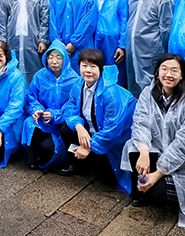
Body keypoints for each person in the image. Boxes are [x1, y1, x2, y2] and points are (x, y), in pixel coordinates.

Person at [121, 54, 185, 229]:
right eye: (164, 69)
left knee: (158, 194)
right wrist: (144, 152)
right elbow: (140, 123)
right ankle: (141, 190)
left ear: (182, 75)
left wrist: (157, 173)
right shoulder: (147, 93)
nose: (168, 74)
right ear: (157, 72)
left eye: (174, 70)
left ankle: (154, 185)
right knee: (133, 147)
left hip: (182, 162)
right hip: (156, 151)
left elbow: (183, 146)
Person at [56, 48, 133, 191]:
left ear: (101, 69)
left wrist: (88, 146)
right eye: (84, 65)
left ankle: (98, 162)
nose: (88, 70)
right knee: (66, 131)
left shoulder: (110, 93)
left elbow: (112, 130)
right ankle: (78, 164)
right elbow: (70, 108)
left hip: (114, 139)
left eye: (93, 66)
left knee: (109, 175)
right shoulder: (78, 85)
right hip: (91, 129)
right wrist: (79, 127)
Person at [22, 40, 81, 170]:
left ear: (65, 59)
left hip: (61, 124)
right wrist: (37, 110)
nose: (54, 61)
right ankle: (32, 159)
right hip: (43, 120)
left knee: (48, 147)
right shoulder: (39, 76)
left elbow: (73, 106)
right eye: (50, 57)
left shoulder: (74, 80)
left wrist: (54, 115)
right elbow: (31, 97)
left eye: (58, 57)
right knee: (28, 123)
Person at [126, 0, 174, 97]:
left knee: (152, 88)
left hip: (151, 52)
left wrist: (159, 48)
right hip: (132, 50)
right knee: (133, 86)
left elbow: (166, 28)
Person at [0, 0, 50, 82]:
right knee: (12, 70)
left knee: (34, 70)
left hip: (33, 40)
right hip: (12, 40)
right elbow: (1, 19)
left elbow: (45, 18)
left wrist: (43, 40)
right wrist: (3, 41)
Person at [91, 0, 129, 85]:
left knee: (113, 75)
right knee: (92, 71)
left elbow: (124, 20)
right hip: (92, 37)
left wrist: (121, 45)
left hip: (112, 40)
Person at [57, 0, 97, 64]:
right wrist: (58, 43)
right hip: (60, 46)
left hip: (81, 46)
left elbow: (88, 23)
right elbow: (52, 20)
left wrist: (74, 44)